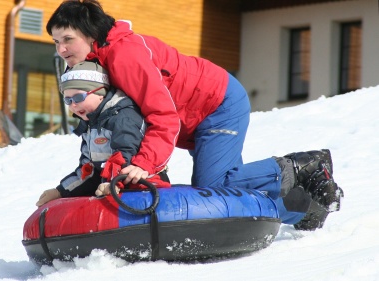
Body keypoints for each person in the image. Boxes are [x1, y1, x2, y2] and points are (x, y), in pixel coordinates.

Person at [44, 0, 343, 230]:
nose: (61, 49)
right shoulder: (92, 65)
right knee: (228, 191)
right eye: (56, 42)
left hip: (217, 102)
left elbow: (163, 116)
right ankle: (305, 209)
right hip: (197, 113)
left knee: (213, 189)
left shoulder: (124, 57)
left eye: (67, 39)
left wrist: (144, 165)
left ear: (89, 32)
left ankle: (302, 166)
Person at [36, 61, 169, 206]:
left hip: (143, 189)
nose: (73, 105)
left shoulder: (123, 117)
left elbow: (126, 157)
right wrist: (61, 191)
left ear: (100, 92)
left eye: (78, 97)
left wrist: (113, 183)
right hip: (110, 187)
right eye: (68, 100)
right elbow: (88, 170)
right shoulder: (90, 124)